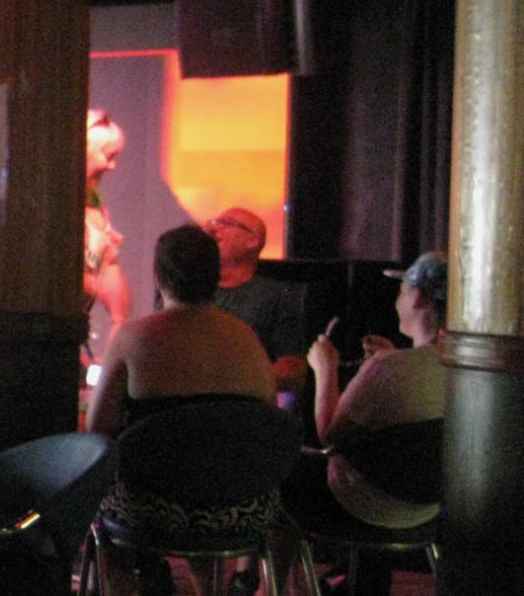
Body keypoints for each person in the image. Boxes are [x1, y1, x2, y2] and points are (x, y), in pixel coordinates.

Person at [88, 225, 278, 596]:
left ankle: (134, 580)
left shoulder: (132, 337)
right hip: (241, 507)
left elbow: (99, 428)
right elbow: (265, 424)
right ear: (215, 277)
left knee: (102, 501)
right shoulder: (246, 339)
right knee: (199, 470)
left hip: (154, 510)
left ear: (158, 277)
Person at [275, 252, 449, 596]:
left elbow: (329, 435)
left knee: (280, 475)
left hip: (362, 507)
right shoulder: (457, 365)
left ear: (418, 298)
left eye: (401, 290)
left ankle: (276, 588)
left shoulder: (389, 367)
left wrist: (324, 369)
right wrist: (385, 360)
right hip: (427, 509)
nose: (397, 300)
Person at [204, 207, 307, 393]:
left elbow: (293, 368)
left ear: (252, 241)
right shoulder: (189, 287)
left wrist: (232, 380)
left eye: (226, 223)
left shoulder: (272, 295)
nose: (214, 229)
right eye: (214, 222)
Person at [85, 110, 131, 359]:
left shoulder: (95, 204)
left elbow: (107, 265)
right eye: (108, 156)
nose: (111, 167)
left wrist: (118, 320)